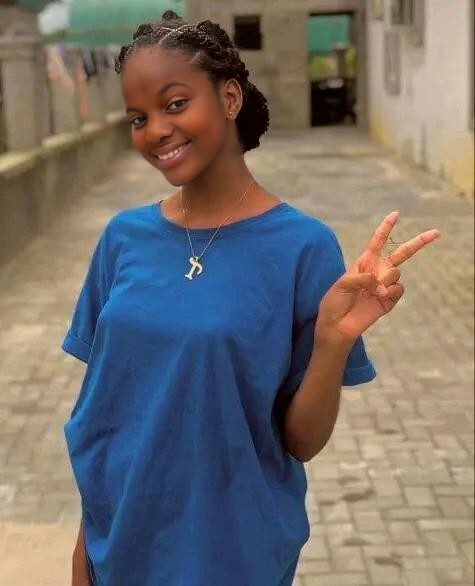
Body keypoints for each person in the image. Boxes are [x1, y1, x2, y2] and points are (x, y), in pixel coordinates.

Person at [63, 11, 441, 586]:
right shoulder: (122, 238)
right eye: (138, 117)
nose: (155, 130)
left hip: (233, 554)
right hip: (117, 548)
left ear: (230, 98)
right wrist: (85, 551)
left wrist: (333, 341)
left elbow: (301, 441)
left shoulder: (302, 247)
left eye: (174, 103)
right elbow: (110, 421)